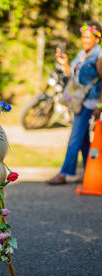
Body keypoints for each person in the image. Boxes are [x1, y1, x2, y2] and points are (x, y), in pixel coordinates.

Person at [49, 21, 102, 184]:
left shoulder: (99, 56)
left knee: (75, 138)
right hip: (79, 101)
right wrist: (65, 63)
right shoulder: (81, 54)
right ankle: (89, 172)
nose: (84, 40)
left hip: (90, 103)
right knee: (83, 139)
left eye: (88, 37)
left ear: (97, 39)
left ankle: (64, 173)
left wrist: (100, 105)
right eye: (83, 37)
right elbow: (72, 76)